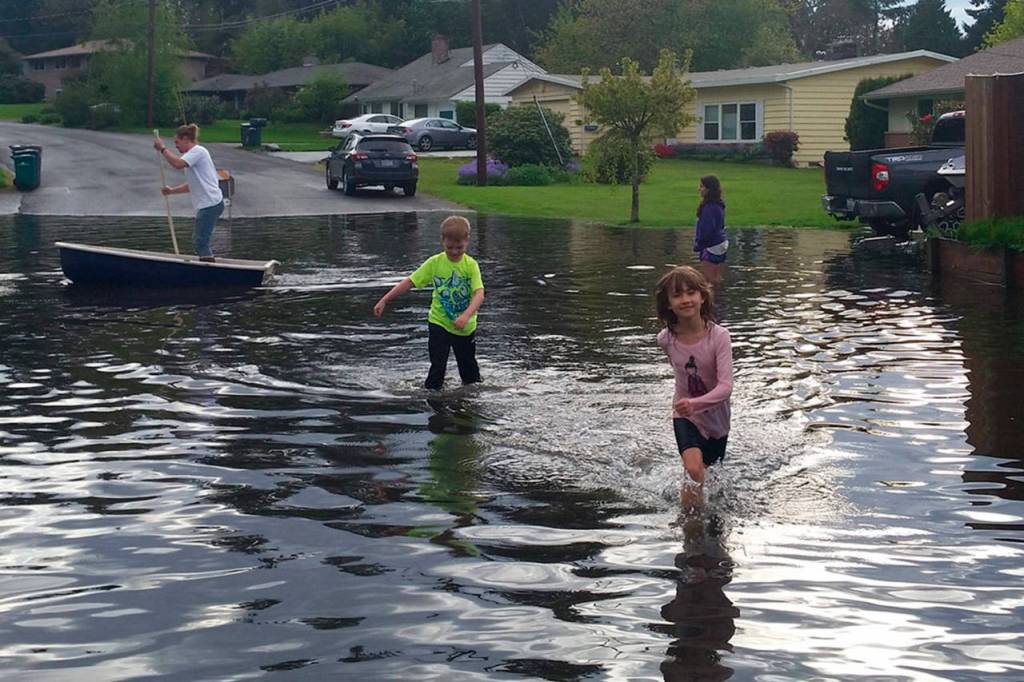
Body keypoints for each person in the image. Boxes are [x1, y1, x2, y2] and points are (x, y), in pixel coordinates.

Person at [373, 215, 485, 390]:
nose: (454, 252)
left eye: (459, 247)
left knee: (469, 372)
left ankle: (470, 402)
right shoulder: (435, 263)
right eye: (450, 247)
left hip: (465, 326)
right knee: (437, 367)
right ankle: (433, 403)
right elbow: (410, 281)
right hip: (438, 322)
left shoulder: (471, 266)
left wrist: (465, 316)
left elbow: (479, 294)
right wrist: (385, 299)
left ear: (467, 241)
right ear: (442, 241)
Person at [655, 266, 733, 505]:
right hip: (685, 416)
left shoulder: (719, 337)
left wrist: (696, 402)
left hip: (717, 419)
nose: (686, 300)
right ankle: (691, 526)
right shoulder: (665, 339)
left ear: (703, 296)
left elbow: (726, 386)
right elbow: (680, 374)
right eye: (677, 295)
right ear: (668, 303)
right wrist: (685, 405)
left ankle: (699, 510)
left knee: (705, 475)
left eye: (691, 293)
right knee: (694, 470)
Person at [153, 123, 224, 262]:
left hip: (210, 203)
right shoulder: (191, 156)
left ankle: (208, 272)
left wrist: (162, 149)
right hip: (210, 204)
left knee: (200, 241)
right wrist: (171, 191)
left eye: (177, 142)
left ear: (186, 138)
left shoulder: (198, 151)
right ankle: (207, 263)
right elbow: (192, 185)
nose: (176, 146)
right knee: (199, 240)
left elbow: (177, 164)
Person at [694, 175, 727, 283]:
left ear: (709, 189)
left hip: (711, 245)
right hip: (720, 243)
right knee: (716, 276)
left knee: (708, 279)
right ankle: (720, 297)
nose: (699, 189)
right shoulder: (718, 204)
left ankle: (712, 299)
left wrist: (699, 244)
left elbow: (707, 229)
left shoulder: (709, 207)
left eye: (702, 186)